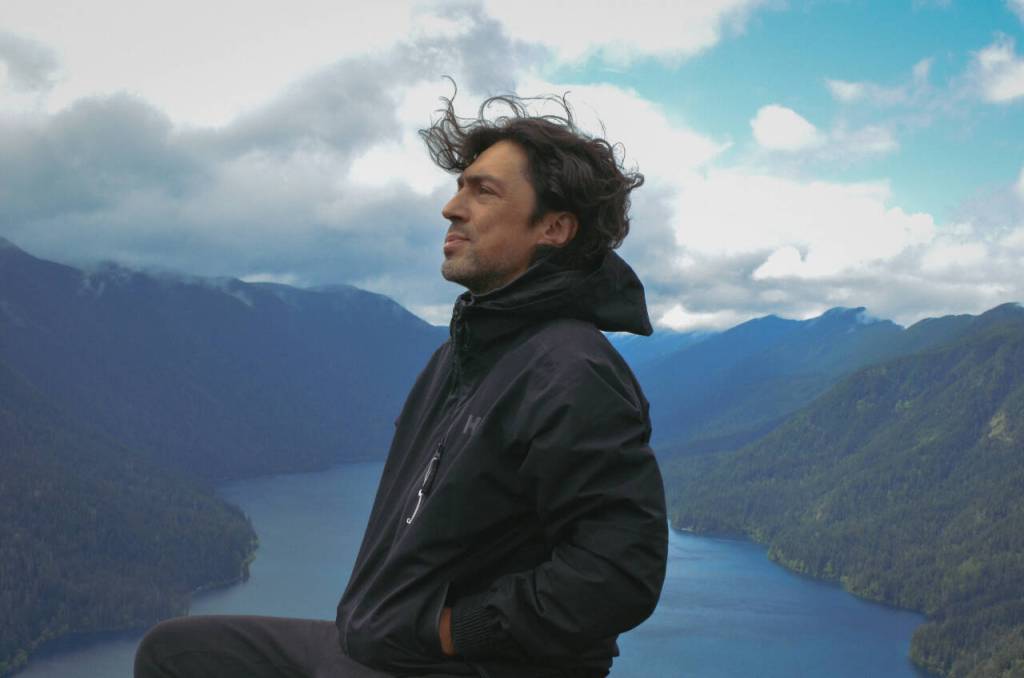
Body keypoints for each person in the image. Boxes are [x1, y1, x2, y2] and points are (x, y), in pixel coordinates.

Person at [134, 91, 667, 678]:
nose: (451, 208)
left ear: (555, 228)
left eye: (483, 191)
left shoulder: (568, 367)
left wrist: (451, 631)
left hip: (458, 665)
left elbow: (618, 573)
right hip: (380, 645)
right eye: (460, 186)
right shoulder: (463, 357)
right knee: (178, 655)